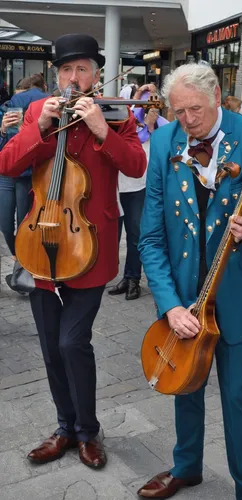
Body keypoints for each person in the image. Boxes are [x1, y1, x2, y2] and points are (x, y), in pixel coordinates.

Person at [0, 34, 146, 468]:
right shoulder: (35, 110)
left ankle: (87, 429)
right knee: (49, 347)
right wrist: (39, 127)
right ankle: (65, 428)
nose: (73, 77)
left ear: (97, 74)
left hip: (90, 243)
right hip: (40, 239)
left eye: (82, 69)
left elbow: (136, 165)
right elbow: (8, 164)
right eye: (66, 70)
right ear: (55, 75)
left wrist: (102, 129)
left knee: (71, 342)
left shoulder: (116, 112)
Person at [137, 64, 242, 500]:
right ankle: (186, 467)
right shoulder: (164, 141)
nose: (187, 121)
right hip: (183, 289)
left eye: (194, 109)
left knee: (235, 395)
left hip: (231, 292)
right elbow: (151, 235)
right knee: (185, 386)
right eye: (178, 112)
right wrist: (169, 304)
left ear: (217, 95)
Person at [109, 84, 168, 300]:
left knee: (136, 235)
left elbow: (162, 151)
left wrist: (152, 126)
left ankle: (133, 278)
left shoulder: (162, 125)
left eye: (150, 102)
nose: (146, 106)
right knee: (111, 235)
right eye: (142, 102)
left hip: (140, 187)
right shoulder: (126, 120)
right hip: (116, 185)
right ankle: (115, 275)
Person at [0, 74, 49, 292]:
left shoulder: (18, 103)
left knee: (18, 224)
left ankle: (22, 268)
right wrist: (2, 129)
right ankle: (21, 264)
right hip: (11, 170)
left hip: (24, 172)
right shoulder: (43, 101)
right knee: (21, 223)